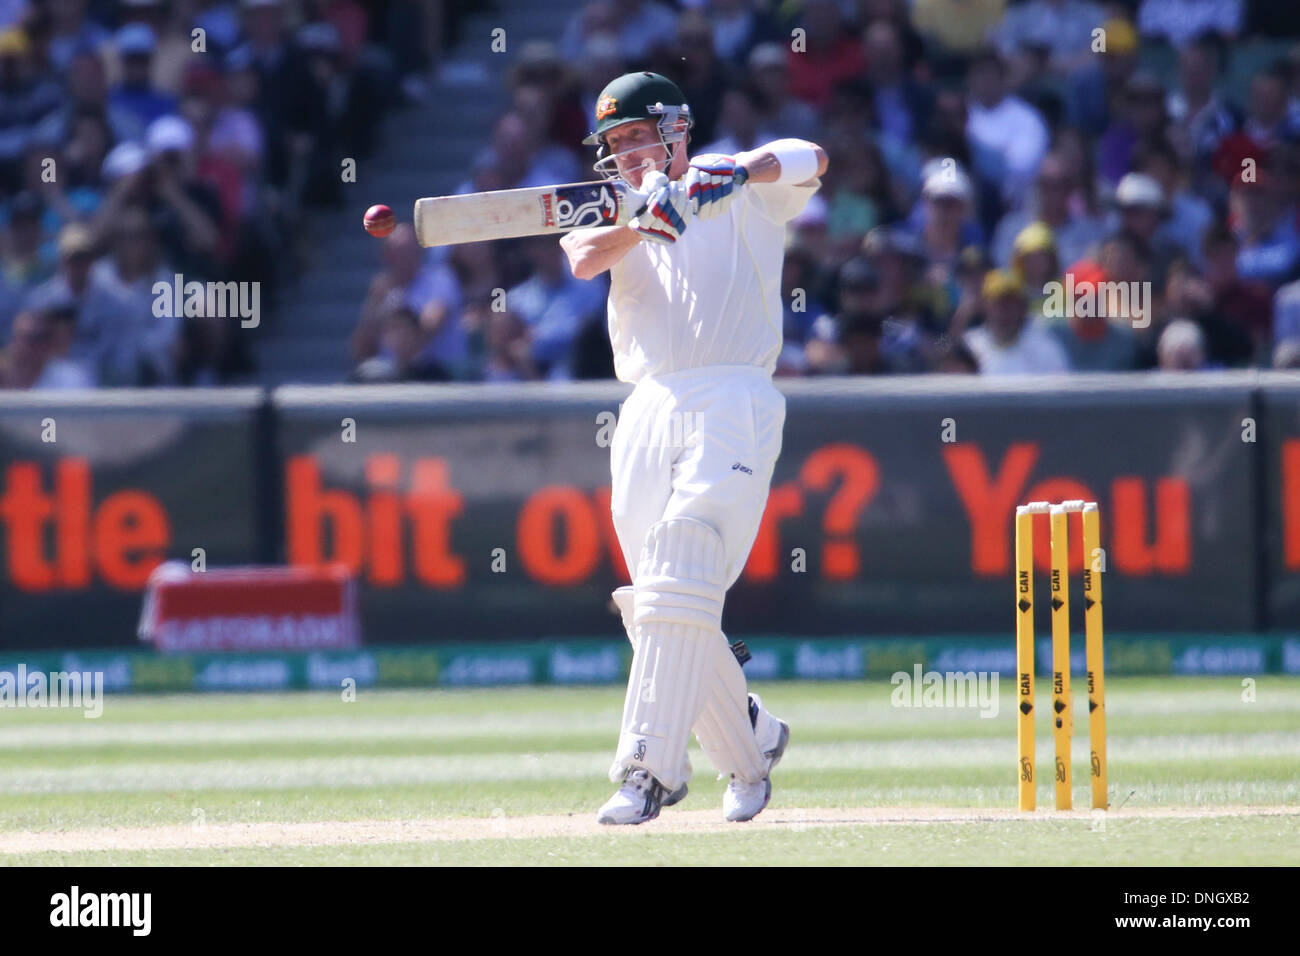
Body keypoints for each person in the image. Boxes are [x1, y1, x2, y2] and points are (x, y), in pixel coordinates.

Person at [560, 71, 825, 825]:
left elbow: (808, 156)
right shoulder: (614, 206)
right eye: (615, 144)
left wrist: (736, 171)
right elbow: (581, 257)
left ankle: (647, 773)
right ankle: (751, 743)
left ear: (676, 131)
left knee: (684, 556)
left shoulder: (736, 182)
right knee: (659, 602)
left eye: (639, 136)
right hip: (646, 407)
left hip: (733, 394)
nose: (627, 153)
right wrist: (646, 219)